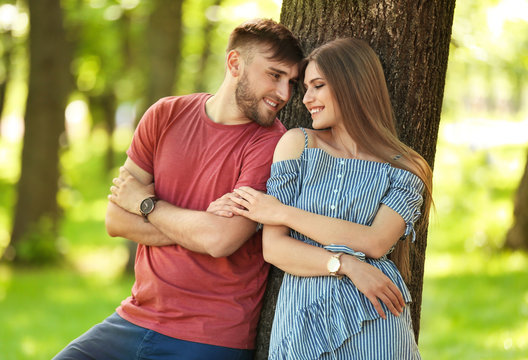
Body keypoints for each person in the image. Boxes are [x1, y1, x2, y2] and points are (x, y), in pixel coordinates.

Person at [52, 18, 303, 360]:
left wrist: (147, 205)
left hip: (209, 335)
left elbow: (220, 240)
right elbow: (116, 220)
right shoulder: (165, 114)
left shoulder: (272, 143)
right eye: (274, 75)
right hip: (133, 319)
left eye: (291, 82)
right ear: (235, 63)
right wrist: (198, 225)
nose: (284, 94)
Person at [218, 38, 433, 359]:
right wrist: (345, 264)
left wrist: (283, 213)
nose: (306, 99)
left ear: (353, 85)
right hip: (302, 323)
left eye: (317, 86)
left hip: (376, 323)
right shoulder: (299, 145)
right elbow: (274, 248)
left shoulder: (406, 168)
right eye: (305, 88)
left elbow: (375, 242)